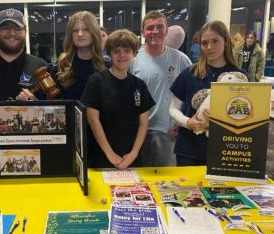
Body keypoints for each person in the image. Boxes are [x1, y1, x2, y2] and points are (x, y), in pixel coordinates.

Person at [169, 21, 247, 166]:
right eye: (204, 43)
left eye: (215, 41)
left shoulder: (239, 77)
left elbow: (246, 115)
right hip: (189, 150)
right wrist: (188, 123)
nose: (209, 47)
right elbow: (173, 108)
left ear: (226, 41)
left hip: (227, 150)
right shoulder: (190, 73)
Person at [81, 29, 153, 169]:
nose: (122, 55)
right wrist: (110, 154)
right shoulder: (96, 81)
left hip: (132, 157)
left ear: (134, 53)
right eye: (116, 51)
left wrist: (133, 153)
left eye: (126, 50)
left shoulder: (139, 85)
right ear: (109, 54)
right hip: (102, 156)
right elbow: (92, 120)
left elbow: (143, 122)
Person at [130, 10, 192, 167]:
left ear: (166, 30)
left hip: (169, 133)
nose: (155, 31)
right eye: (150, 28)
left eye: (160, 27)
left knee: (166, 182)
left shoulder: (181, 59)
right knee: (140, 180)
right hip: (139, 132)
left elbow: (193, 93)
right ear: (143, 31)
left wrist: (183, 121)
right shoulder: (133, 60)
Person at [54, 11, 107, 100]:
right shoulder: (60, 68)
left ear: (94, 32)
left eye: (86, 29)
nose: (80, 34)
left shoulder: (107, 67)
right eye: (75, 30)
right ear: (70, 35)